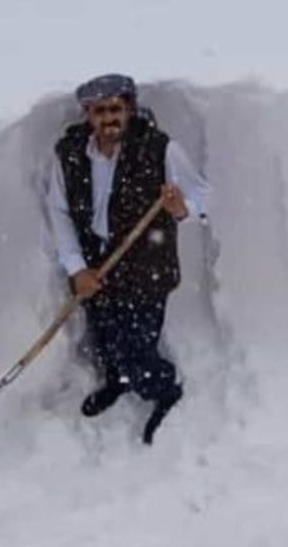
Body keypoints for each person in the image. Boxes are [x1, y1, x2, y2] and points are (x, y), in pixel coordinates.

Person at [44, 73, 210, 444]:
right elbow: (59, 211)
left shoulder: (158, 148)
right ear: (88, 114)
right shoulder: (69, 154)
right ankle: (117, 382)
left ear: (129, 109)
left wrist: (181, 208)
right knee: (104, 338)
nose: (109, 118)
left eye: (116, 109)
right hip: (96, 268)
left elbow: (202, 197)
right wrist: (77, 268)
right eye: (100, 110)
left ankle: (162, 389)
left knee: (138, 347)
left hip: (145, 269)